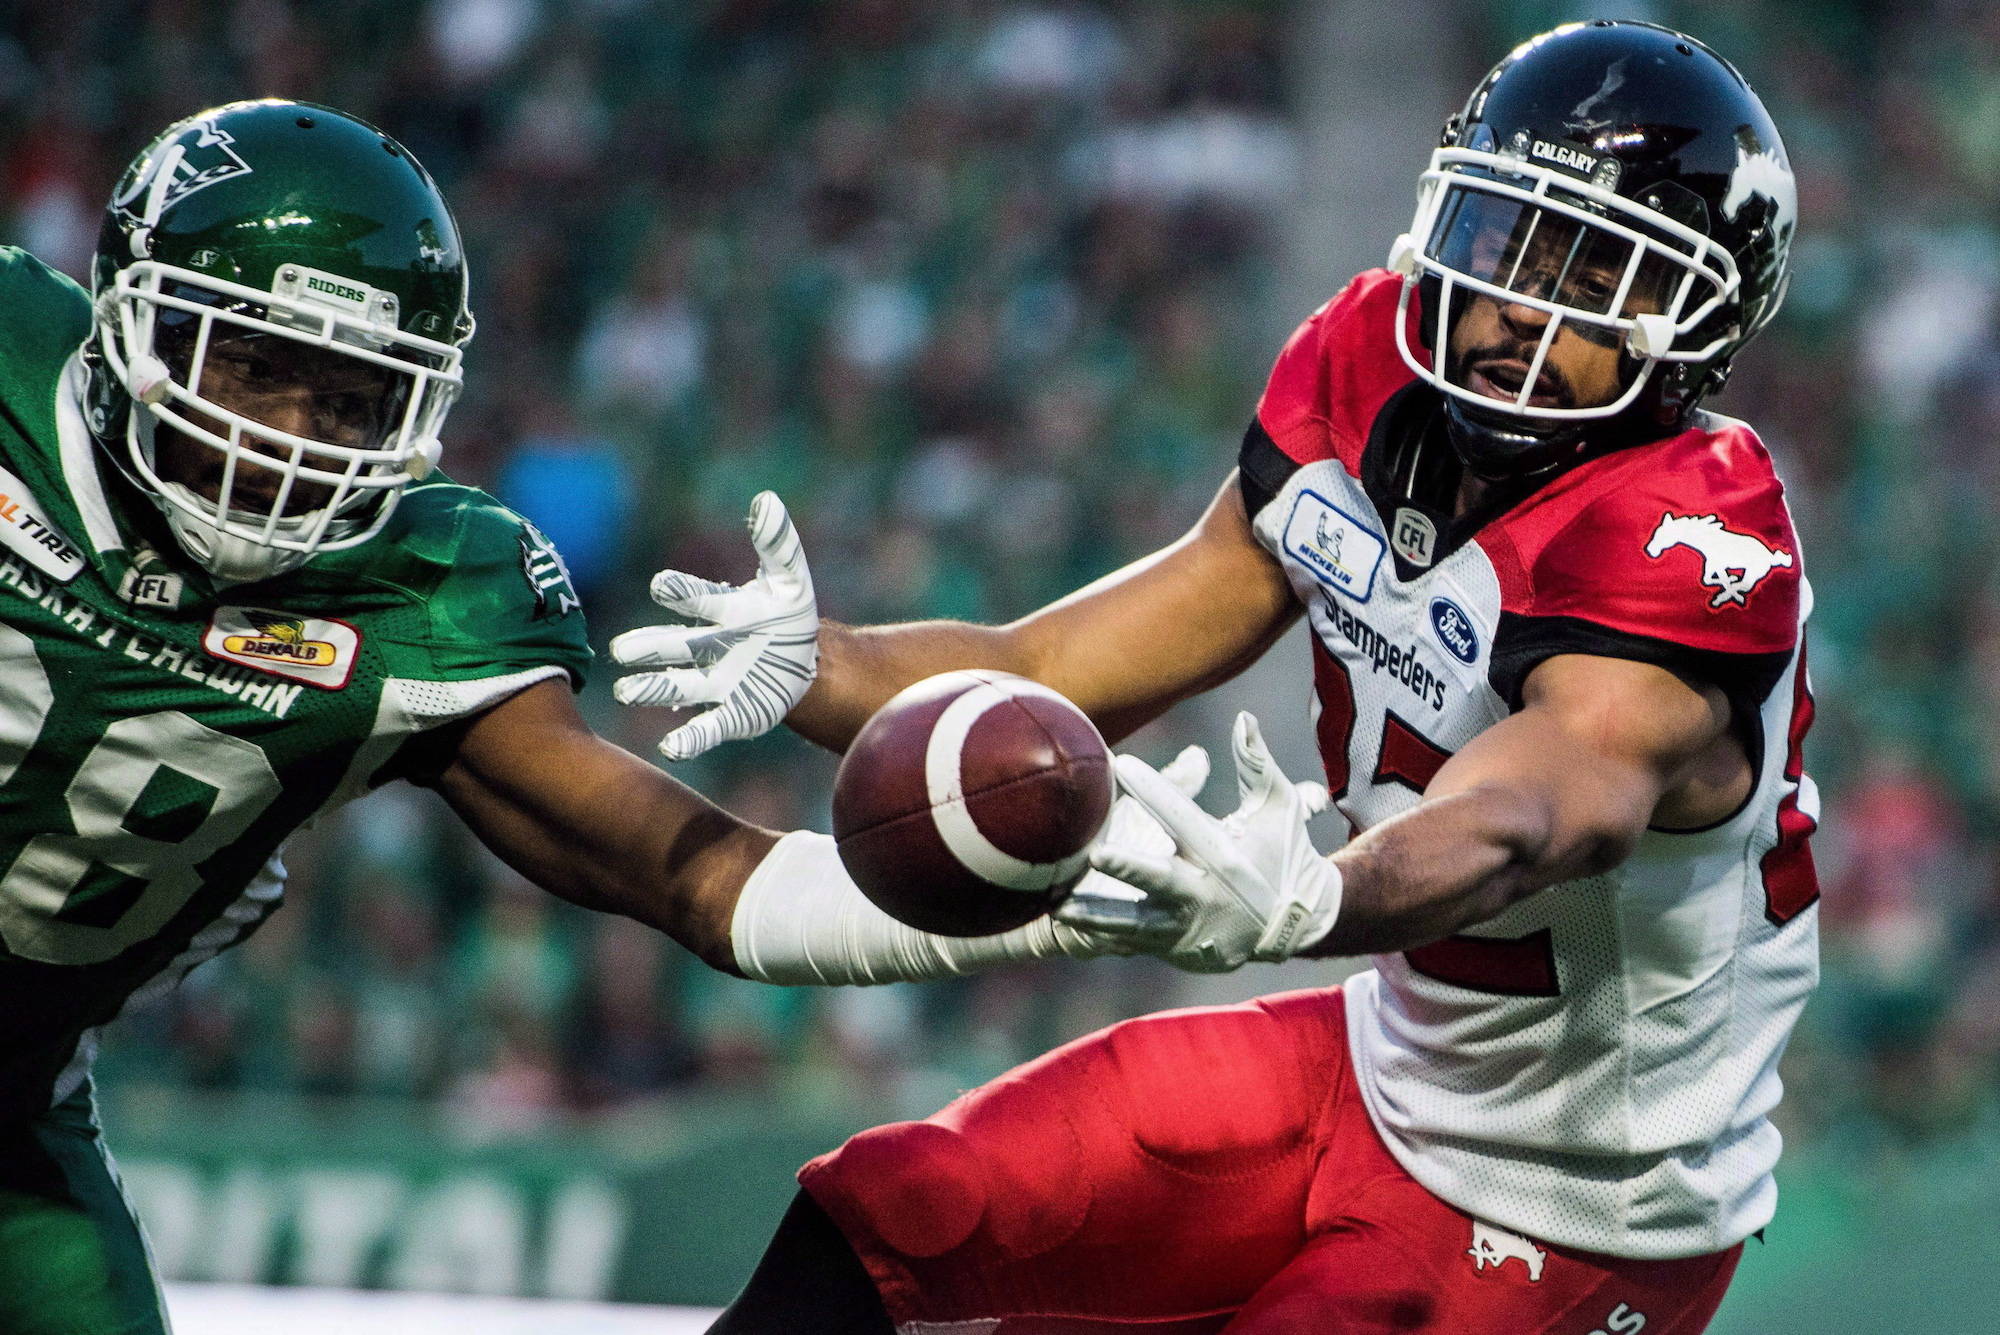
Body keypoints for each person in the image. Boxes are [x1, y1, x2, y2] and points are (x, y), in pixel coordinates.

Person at [616, 21, 1817, 1334]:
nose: (1514, 304)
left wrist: (1319, 892)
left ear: (1696, 319)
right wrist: (821, 663)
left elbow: (1542, 814)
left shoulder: (1695, 527)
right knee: (896, 1206)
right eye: (1500, 239)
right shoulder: (1360, 370)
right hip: (1383, 1067)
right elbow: (1052, 671)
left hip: (1585, 1203)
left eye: (1587, 268)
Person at [0, 98, 1156, 1335]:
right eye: (255, 364)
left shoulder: (423, 589)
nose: (284, 437)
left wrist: (1042, 911)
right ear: (135, 316)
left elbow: (706, 885)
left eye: (348, 400)